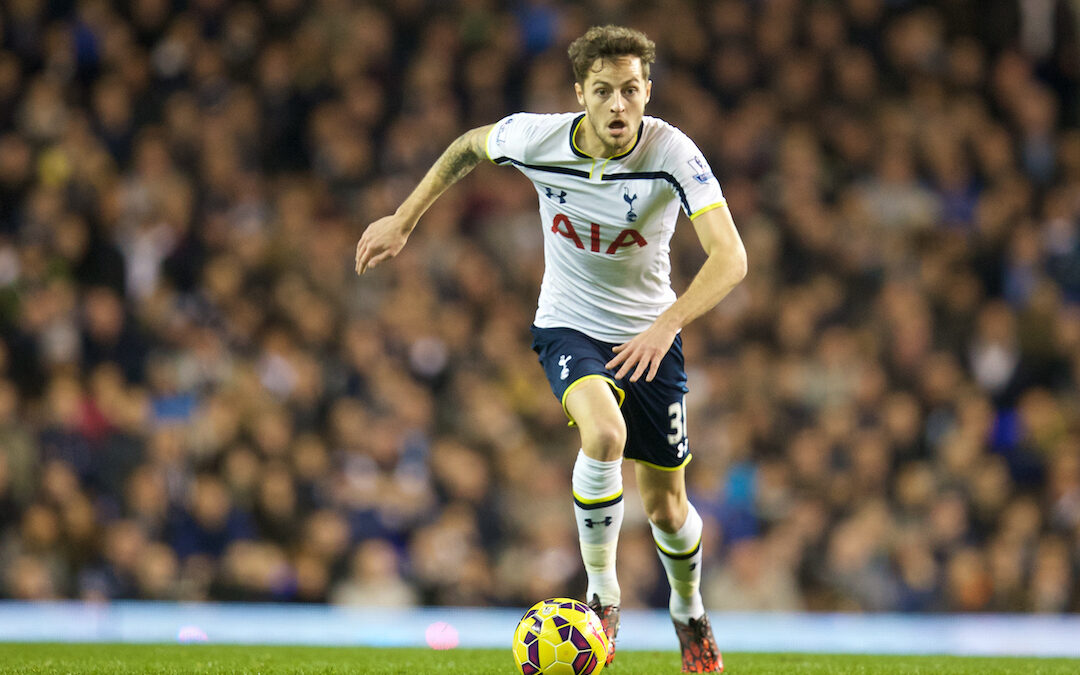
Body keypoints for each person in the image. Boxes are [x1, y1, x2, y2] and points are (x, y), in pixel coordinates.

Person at [356, 25, 745, 673]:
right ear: (580, 95)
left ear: (647, 91)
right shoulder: (537, 137)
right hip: (568, 323)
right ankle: (603, 594)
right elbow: (468, 147)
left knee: (668, 509)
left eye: (630, 90)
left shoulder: (671, 151)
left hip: (651, 335)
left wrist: (668, 322)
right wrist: (404, 218)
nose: (619, 105)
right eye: (603, 91)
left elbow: (731, 258)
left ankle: (688, 609)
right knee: (603, 434)